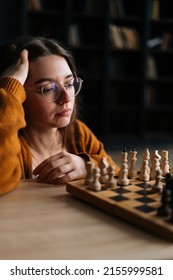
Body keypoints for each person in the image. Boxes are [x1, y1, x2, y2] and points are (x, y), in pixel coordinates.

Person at [0, 36, 119, 195]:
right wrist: (8, 89)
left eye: (69, 84)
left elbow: (117, 172)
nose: (67, 98)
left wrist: (87, 166)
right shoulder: (9, 142)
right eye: (48, 88)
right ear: (19, 94)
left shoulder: (78, 133)